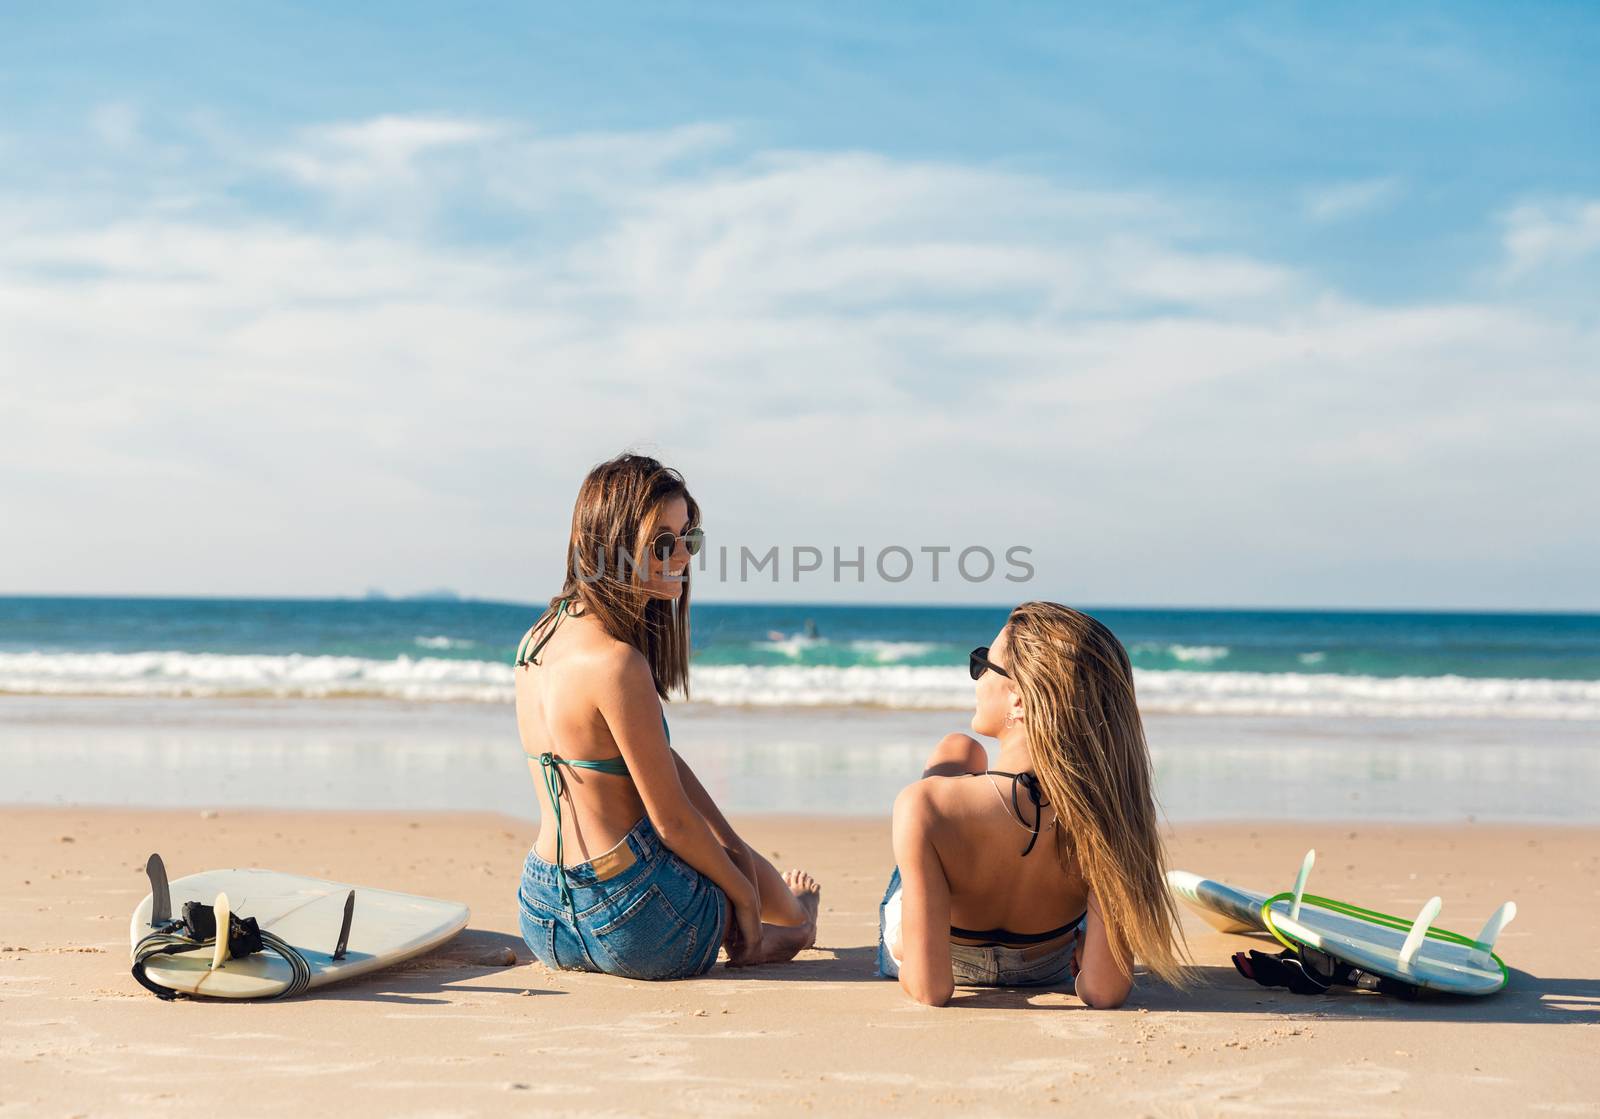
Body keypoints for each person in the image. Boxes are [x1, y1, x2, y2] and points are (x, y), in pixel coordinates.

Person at [515, 453, 819, 979]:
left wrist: (729, 846)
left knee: (730, 851)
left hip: (542, 912)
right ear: (613, 545)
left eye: (689, 538)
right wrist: (742, 895)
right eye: (662, 542)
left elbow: (655, 760)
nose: (682, 555)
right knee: (750, 892)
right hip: (634, 924)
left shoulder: (536, 641)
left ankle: (782, 905)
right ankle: (792, 931)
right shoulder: (616, 662)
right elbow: (672, 822)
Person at [879, 601, 1188, 1007]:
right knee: (965, 756)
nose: (977, 678)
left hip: (942, 955)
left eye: (983, 665)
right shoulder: (1108, 812)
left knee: (956, 751)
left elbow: (929, 988)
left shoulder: (925, 803)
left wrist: (907, 943)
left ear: (1019, 701)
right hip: (1044, 963)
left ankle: (919, 918)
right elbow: (1104, 990)